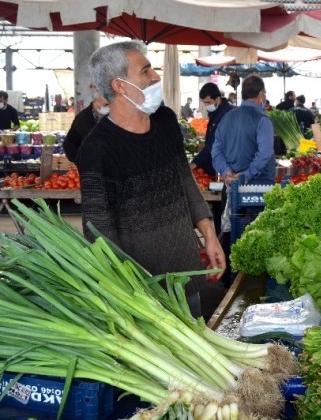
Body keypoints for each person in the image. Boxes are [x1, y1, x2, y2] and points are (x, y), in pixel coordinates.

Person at [79, 40, 226, 318]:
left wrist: (210, 235)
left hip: (186, 268)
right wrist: (126, 288)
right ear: (119, 85)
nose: (155, 76)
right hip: (143, 286)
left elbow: (185, 178)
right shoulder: (98, 149)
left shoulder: (165, 121)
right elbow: (99, 229)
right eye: (145, 71)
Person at [212, 74, 276, 234]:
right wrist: (245, 175)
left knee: (234, 233)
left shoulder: (226, 118)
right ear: (261, 94)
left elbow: (216, 152)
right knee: (258, 236)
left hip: (231, 187)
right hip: (259, 190)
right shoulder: (263, 119)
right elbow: (265, 154)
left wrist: (227, 172)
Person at [191, 83, 234, 234]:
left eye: (208, 102)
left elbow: (213, 146)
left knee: (224, 211)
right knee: (218, 209)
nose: (206, 105)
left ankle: (223, 242)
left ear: (217, 99)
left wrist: (194, 164)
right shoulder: (217, 114)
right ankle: (219, 236)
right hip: (217, 169)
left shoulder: (226, 115)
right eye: (204, 102)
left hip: (225, 168)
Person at [63, 93, 109, 165]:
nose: (109, 108)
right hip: (89, 169)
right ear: (96, 102)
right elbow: (69, 145)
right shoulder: (82, 119)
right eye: (106, 105)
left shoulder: (112, 117)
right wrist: (81, 163)